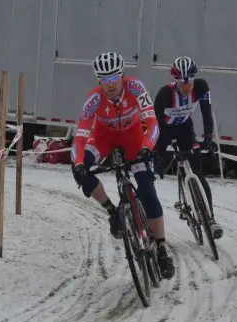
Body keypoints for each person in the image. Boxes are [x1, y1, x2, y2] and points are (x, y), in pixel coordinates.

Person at [71, 52, 175, 279]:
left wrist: (148, 146)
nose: (110, 85)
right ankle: (111, 211)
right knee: (78, 169)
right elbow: (80, 137)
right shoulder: (94, 99)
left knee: (147, 191)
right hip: (103, 139)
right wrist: (79, 163)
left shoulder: (135, 88)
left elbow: (152, 122)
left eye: (113, 79)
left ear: (121, 76)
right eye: (104, 80)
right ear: (99, 81)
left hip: (133, 139)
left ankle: (161, 248)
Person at [153, 56, 223, 239]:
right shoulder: (165, 94)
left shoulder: (200, 87)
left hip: (185, 127)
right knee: (153, 169)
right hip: (164, 130)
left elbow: (206, 113)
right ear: (175, 81)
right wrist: (156, 152)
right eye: (183, 83)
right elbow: (154, 124)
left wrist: (208, 136)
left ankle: (211, 220)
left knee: (198, 172)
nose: (187, 87)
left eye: (189, 82)